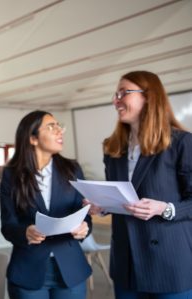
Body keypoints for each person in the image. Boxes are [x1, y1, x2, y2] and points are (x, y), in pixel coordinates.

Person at [87, 70, 192, 298]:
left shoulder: (182, 143)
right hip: (126, 263)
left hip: (169, 264)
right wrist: (102, 205)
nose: (116, 100)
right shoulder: (112, 148)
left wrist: (164, 208)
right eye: (116, 94)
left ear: (149, 97)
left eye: (124, 93)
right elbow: (121, 197)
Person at [0, 110, 92, 299]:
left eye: (59, 126)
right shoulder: (12, 175)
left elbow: (84, 213)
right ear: (33, 138)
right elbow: (8, 225)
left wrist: (85, 228)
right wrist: (25, 232)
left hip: (70, 269)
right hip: (28, 270)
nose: (59, 131)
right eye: (51, 127)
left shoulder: (72, 169)